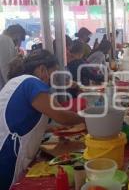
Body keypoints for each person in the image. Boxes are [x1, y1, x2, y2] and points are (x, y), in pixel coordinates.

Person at [0, 50, 85, 190]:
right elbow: (62, 116)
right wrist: (86, 119)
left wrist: (50, 128)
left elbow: (22, 121)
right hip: (7, 156)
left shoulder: (18, 82)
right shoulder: (32, 83)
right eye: (55, 73)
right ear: (42, 69)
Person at [0, 24, 26, 90]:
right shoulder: (6, 40)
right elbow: (7, 70)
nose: (19, 44)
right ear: (17, 35)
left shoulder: (3, 39)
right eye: (21, 39)